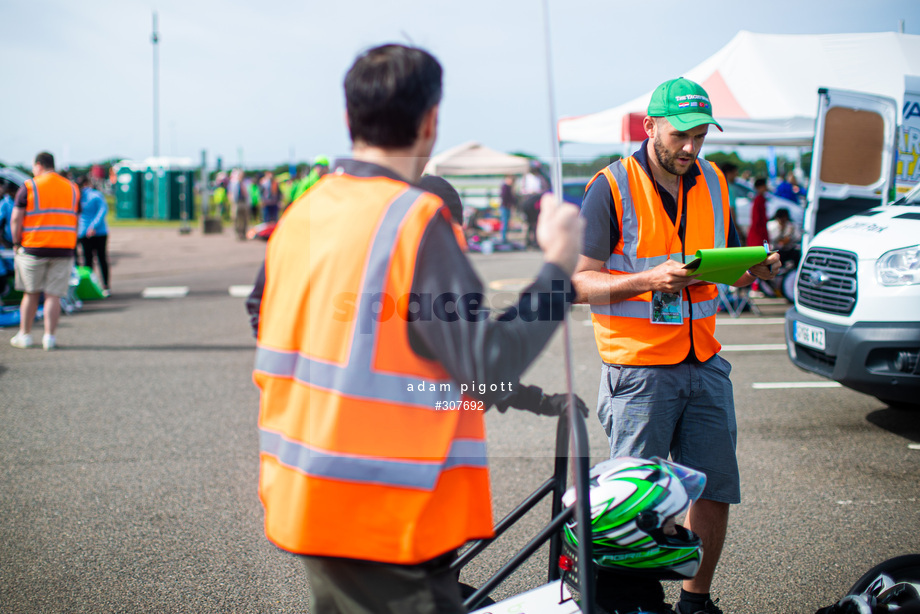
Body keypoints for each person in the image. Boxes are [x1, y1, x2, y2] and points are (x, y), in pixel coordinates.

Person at [247, 43, 584, 614]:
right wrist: (559, 266)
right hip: (388, 516)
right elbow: (489, 361)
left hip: (310, 501)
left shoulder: (301, 215)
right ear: (430, 122)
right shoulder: (414, 219)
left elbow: (273, 320)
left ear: (349, 118)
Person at [572, 77, 780, 614]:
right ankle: (625, 605)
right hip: (639, 369)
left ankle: (696, 601)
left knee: (714, 488)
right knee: (631, 505)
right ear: (651, 127)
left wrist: (749, 270)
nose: (691, 147)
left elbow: (718, 263)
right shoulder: (609, 186)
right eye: (681, 135)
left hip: (705, 360)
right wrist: (647, 280)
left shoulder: (713, 180)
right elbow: (579, 282)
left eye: (701, 136)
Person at [9, 151, 81, 351]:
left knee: (31, 294)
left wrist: (16, 242)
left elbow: (16, 218)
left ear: (39, 165)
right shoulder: (72, 188)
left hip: (33, 247)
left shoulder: (30, 186)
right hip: (64, 248)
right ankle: (49, 337)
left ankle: (25, 334)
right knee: (53, 295)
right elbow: (76, 218)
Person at [76, 175, 110, 295]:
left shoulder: (78, 196)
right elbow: (103, 210)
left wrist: (91, 227)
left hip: (86, 231)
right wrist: (94, 226)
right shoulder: (95, 195)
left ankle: (90, 287)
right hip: (97, 231)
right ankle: (105, 286)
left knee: (88, 260)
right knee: (101, 259)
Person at [746, 177, 769, 248]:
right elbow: (756, 219)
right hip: (758, 232)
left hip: (760, 231)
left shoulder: (761, 199)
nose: (766, 188)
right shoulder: (758, 200)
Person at [499, 174, 516, 243]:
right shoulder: (505, 187)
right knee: (505, 222)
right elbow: (505, 197)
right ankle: (503, 238)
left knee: (506, 222)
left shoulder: (508, 187)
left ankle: (504, 237)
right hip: (505, 207)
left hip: (507, 207)